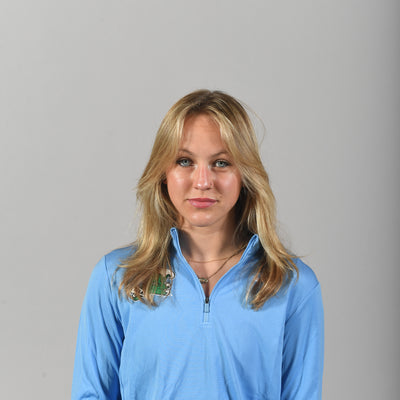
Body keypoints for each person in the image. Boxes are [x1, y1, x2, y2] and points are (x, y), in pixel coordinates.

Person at [72, 90, 324, 399]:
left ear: (245, 174)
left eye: (221, 162)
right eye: (184, 161)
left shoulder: (292, 285)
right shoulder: (117, 277)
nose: (203, 181)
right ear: (163, 173)